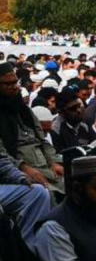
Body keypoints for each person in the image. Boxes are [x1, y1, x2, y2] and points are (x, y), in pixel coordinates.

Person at [0, 63, 65, 194]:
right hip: (20, 171)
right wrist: (22, 168)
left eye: (15, 83)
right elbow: (2, 155)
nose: (14, 87)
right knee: (47, 194)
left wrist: (53, 161)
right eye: (7, 84)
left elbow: (42, 140)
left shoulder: (24, 111)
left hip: (45, 167)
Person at [51, 88, 96, 153]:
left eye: (79, 106)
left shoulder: (84, 125)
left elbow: (95, 145)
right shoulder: (56, 129)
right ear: (61, 112)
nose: (78, 110)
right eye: (73, 108)